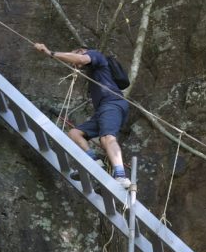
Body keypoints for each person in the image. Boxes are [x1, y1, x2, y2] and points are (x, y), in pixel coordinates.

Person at [31, 43, 131, 188]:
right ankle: (94, 161)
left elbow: (81, 60)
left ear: (82, 51)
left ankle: (121, 176)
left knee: (107, 138)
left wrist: (50, 53)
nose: (76, 65)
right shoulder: (96, 72)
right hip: (103, 109)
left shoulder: (95, 54)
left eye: (75, 54)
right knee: (74, 133)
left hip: (112, 103)